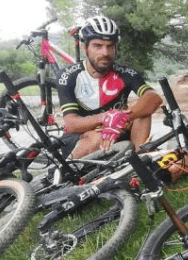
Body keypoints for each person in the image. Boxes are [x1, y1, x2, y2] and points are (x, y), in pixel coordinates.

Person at [55, 15, 163, 159]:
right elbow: (72, 123)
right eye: (97, 46)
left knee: (143, 113)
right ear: (84, 47)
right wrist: (105, 118)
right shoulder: (68, 75)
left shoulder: (126, 73)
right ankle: (70, 171)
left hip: (116, 131)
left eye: (110, 46)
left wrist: (121, 117)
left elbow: (154, 98)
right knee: (98, 137)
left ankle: (140, 162)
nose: (105, 53)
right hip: (81, 138)